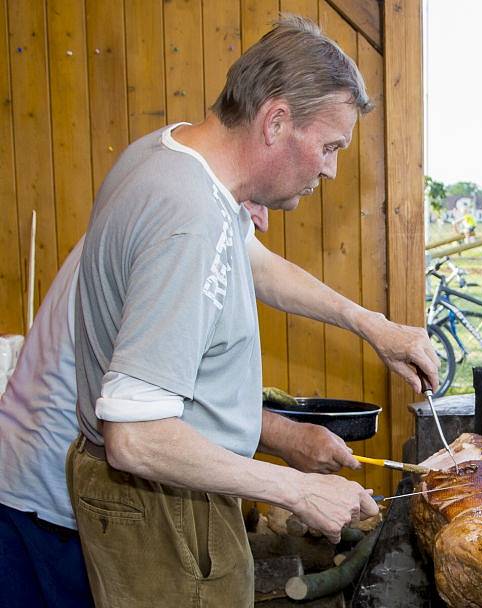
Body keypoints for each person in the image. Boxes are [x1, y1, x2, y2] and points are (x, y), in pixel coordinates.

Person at [61, 16, 436, 607]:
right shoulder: (191, 218)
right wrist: (295, 491)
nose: (331, 169)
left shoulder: (173, 157)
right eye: (330, 146)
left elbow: (249, 262)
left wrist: (373, 325)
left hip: (160, 490)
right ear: (276, 121)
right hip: (164, 502)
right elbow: (134, 436)